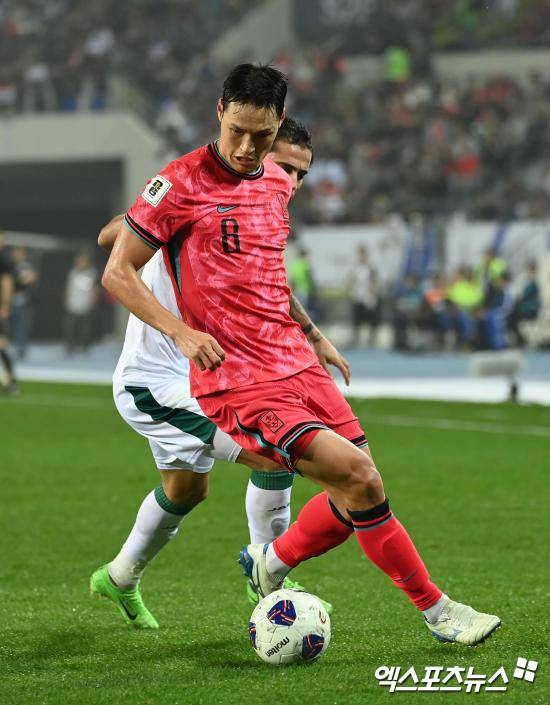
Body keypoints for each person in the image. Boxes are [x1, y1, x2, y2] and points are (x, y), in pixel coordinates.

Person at [102, 63, 500, 645]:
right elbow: (117, 270)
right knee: (357, 478)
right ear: (219, 112)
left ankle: (270, 561)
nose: (246, 148)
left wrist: (312, 335)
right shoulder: (179, 182)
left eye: (262, 136)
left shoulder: (276, 184)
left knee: (358, 487)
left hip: (296, 364)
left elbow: (265, 276)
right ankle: (438, 612)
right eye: (237, 131)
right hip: (238, 379)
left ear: (279, 123)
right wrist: (182, 332)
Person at [92, 116, 347, 626]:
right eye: (286, 168)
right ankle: (268, 580)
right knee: (275, 453)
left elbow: (268, 289)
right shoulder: (196, 195)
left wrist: (313, 336)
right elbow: (109, 239)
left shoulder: (257, 215)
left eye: (302, 174)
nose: (293, 183)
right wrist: (154, 213)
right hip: (156, 382)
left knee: (187, 491)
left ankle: (118, 578)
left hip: (203, 378)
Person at [64, 252, 98, 354]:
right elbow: (68, 287)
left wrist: (93, 301)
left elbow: (95, 289)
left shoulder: (92, 273)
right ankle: (69, 347)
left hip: (85, 304)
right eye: (79, 261)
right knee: (70, 327)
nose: (81, 263)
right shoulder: (73, 273)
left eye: (83, 261)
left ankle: (84, 347)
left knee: (84, 328)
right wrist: (67, 299)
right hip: (73, 304)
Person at [349, 246, 381, 347]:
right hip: (358, 297)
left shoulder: (371, 267)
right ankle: (356, 339)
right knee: (357, 319)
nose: (361, 256)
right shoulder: (355, 267)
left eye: (363, 254)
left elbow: (375, 281)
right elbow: (352, 280)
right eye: (360, 254)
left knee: (371, 319)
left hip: (369, 297)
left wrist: (373, 291)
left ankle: (372, 339)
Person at [10, 247, 37, 360]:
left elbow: (31, 278)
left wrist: (20, 280)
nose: (17, 255)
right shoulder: (10, 265)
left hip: (22, 301)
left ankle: (21, 350)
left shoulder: (26, 267)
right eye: (16, 253)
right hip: (10, 300)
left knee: (21, 326)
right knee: (10, 326)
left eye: (19, 253)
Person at [507, 261, 541, 347]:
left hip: (531, 307)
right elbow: (518, 293)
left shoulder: (537, 280)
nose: (530, 272)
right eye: (529, 270)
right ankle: (517, 339)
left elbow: (528, 294)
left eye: (531, 270)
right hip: (523, 306)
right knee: (512, 315)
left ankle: (520, 339)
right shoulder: (524, 280)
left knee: (514, 315)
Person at [0, 232, 17, 393]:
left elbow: (7, 283)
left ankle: (11, 380)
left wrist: (5, 304)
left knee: (1, 344)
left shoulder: (3, 260)